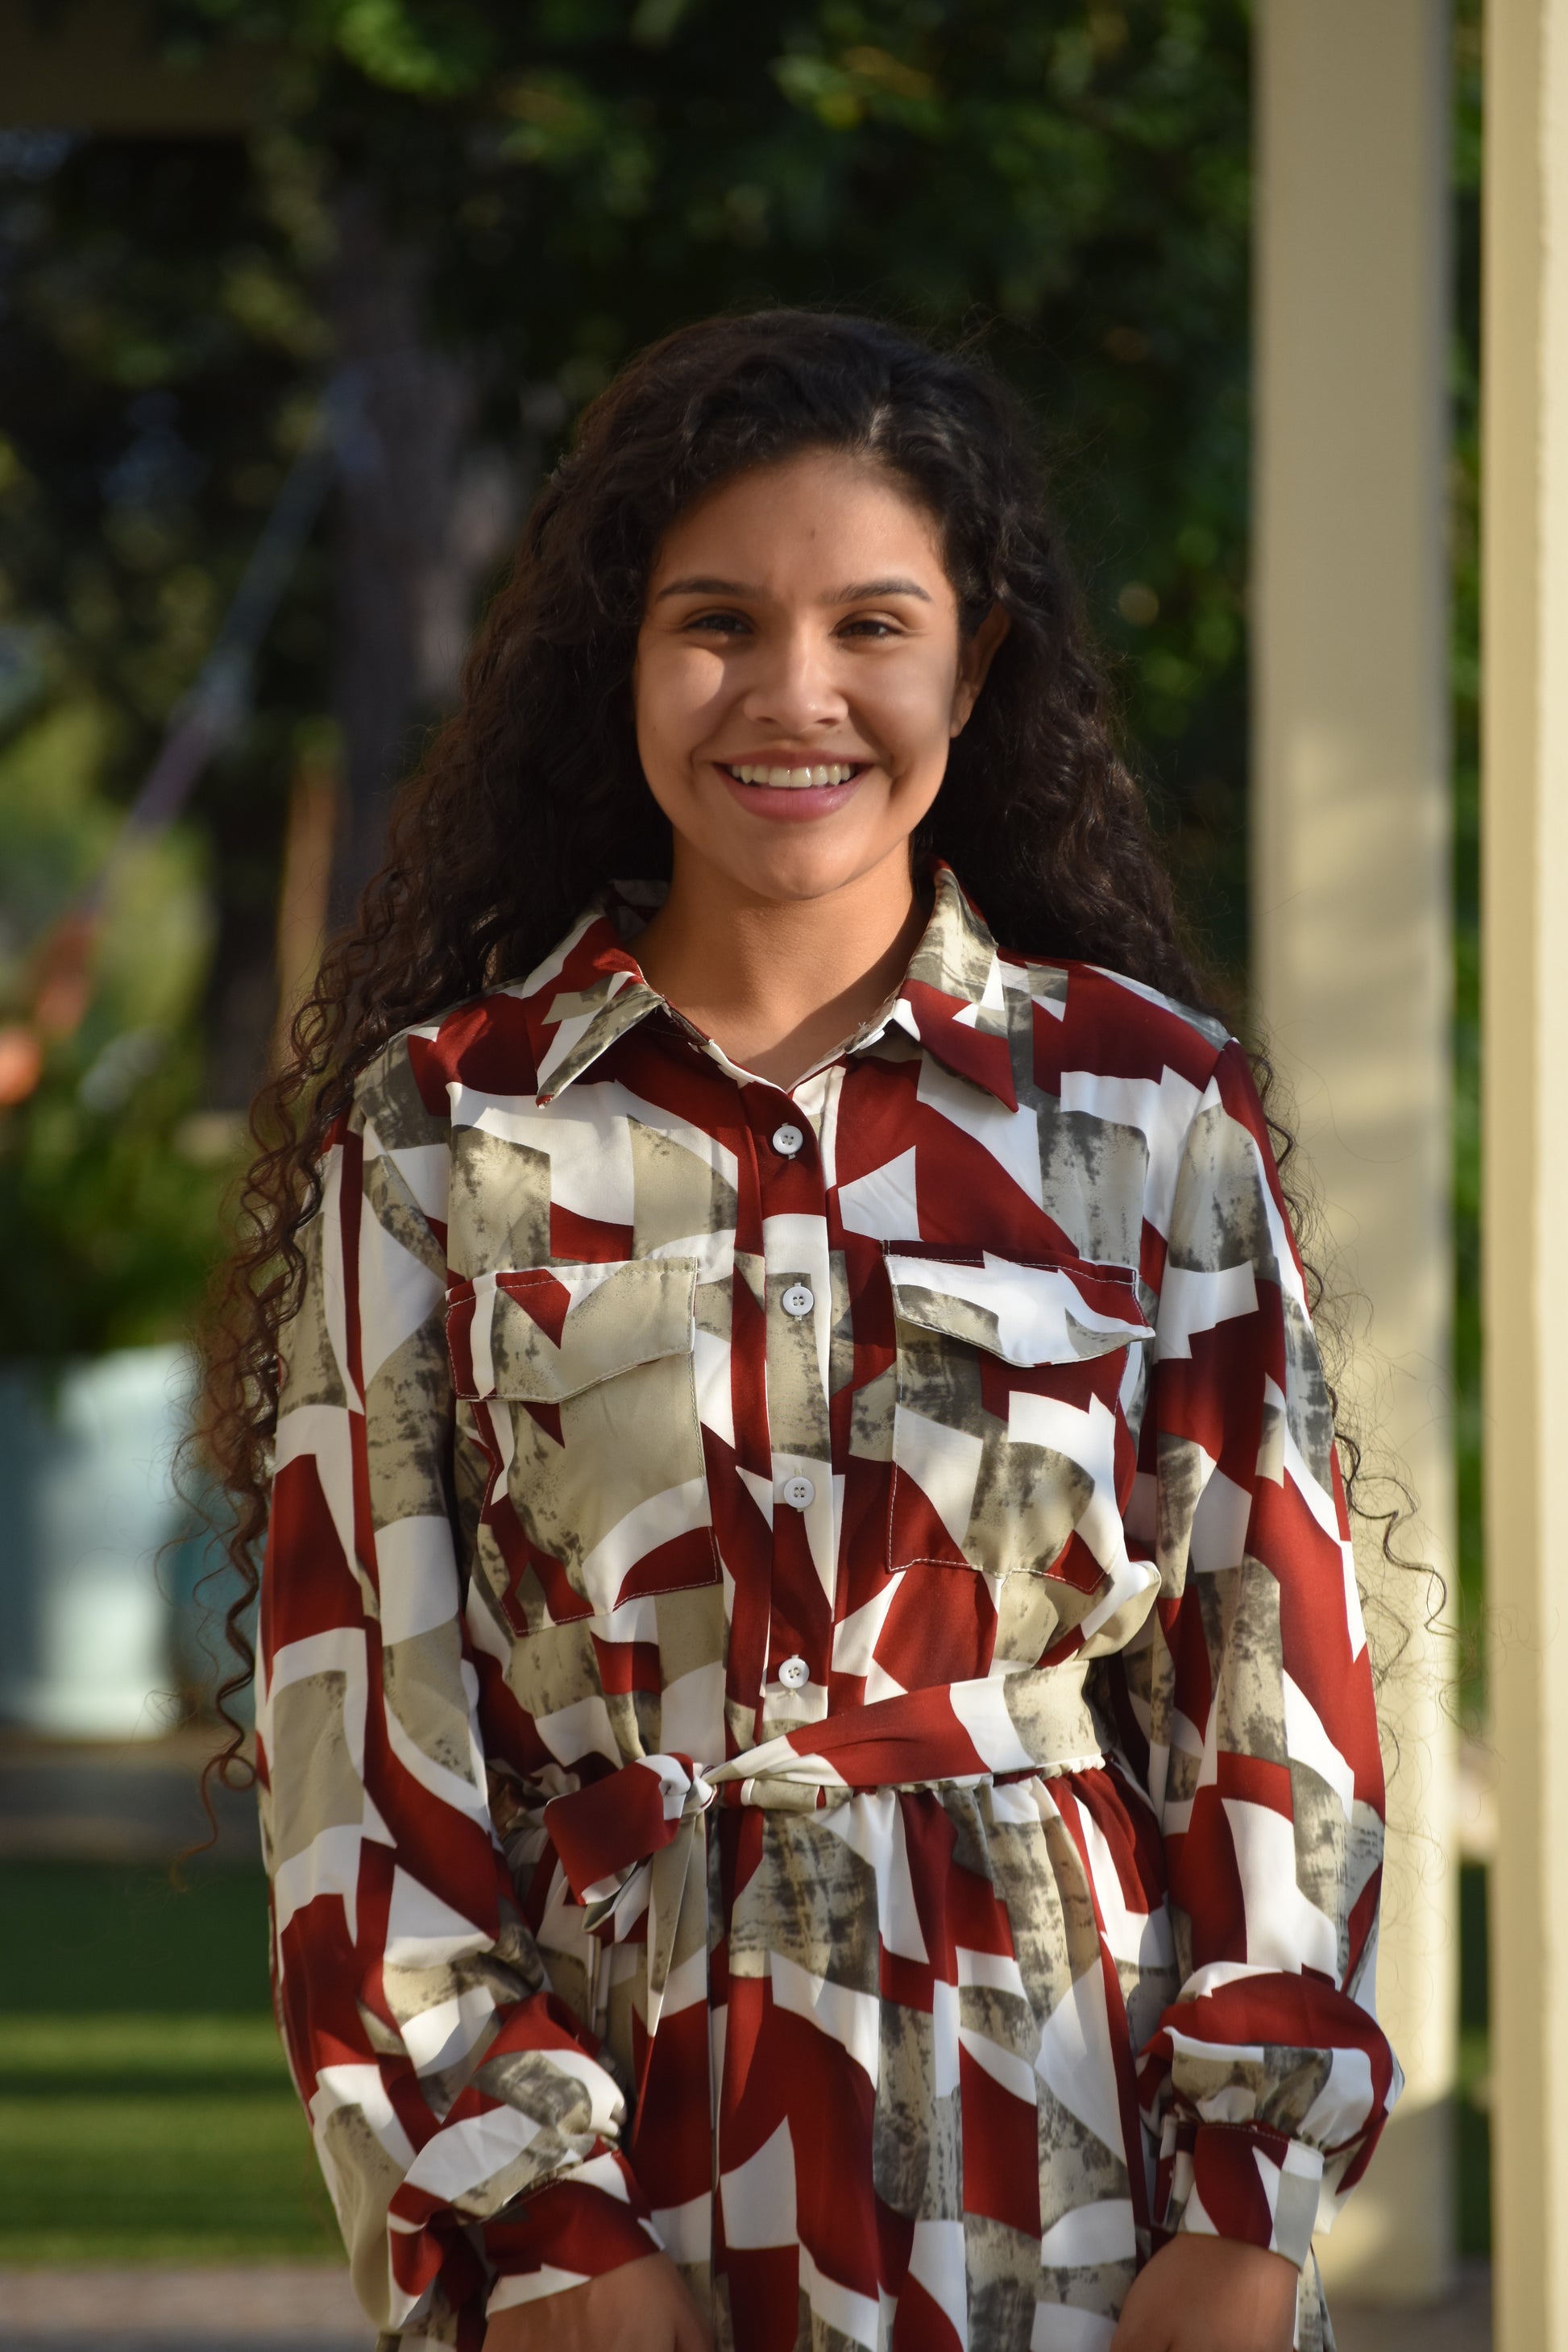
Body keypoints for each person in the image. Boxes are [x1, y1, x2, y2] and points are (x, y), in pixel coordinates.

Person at [207, 310, 1398, 2352]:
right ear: (619, 659)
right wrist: (533, 2222)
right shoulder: (440, 1138)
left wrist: (1248, 2203)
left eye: (871, 625)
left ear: (974, 665)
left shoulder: (1143, 1112)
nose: (793, 693)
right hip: (621, 2192)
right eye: (716, 624)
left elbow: (1271, 1677)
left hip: (1081, 2194)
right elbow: (359, 1753)